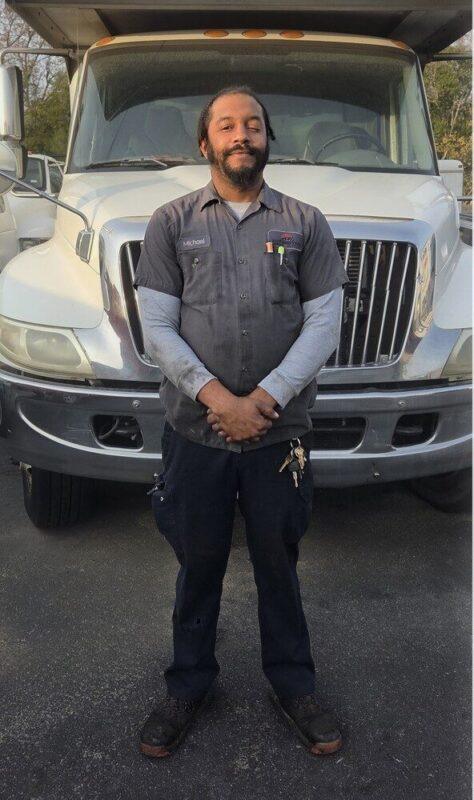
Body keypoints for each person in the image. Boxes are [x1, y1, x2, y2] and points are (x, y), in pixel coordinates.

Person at [134, 85, 349, 758]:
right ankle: (188, 684)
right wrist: (217, 399)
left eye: (253, 124)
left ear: (266, 139)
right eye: (226, 125)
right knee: (198, 562)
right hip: (195, 432)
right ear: (205, 143)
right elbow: (157, 328)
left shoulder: (305, 223)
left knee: (278, 562)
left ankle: (293, 685)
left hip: (278, 434)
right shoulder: (170, 223)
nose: (241, 134)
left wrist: (265, 399)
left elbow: (324, 322)